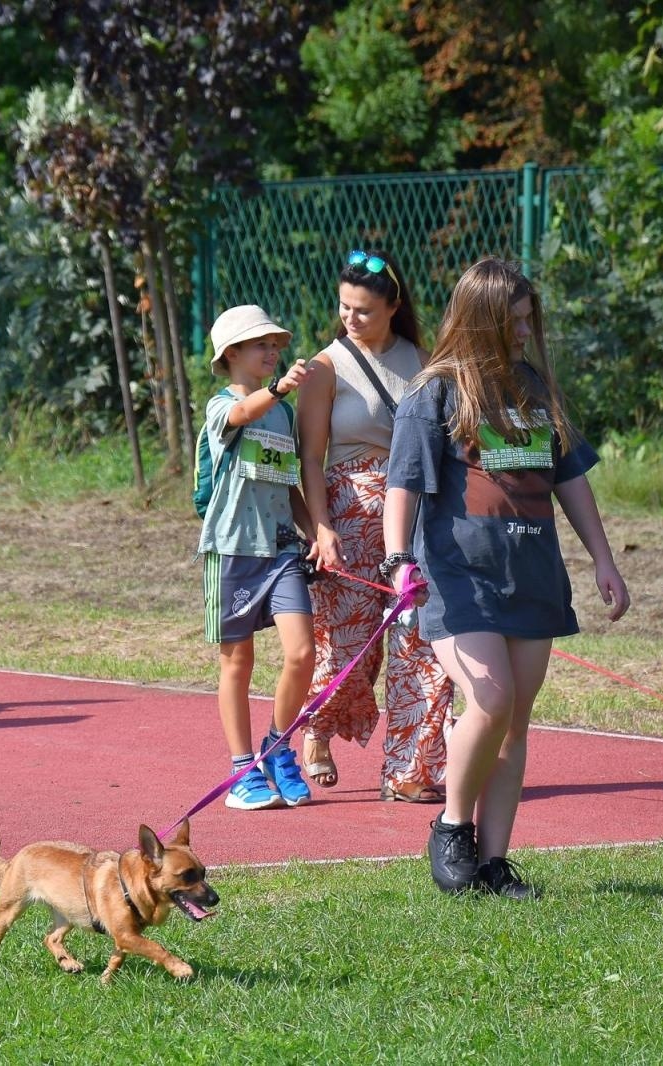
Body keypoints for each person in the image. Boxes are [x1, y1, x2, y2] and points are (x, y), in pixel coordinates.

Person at [382, 257, 630, 897]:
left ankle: (493, 863)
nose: (524, 332)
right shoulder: (433, 391)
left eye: (529, 320)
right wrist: (397, 562)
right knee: (488, 701)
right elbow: (402, 484)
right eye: (513, 321)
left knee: (515, 721)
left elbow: (570, 479)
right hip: (459, 577)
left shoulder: (535, 390)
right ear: (482, 320)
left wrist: (603, 558)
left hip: (533, 573)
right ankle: (451, 830)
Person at [296, 248, 453, 802]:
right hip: (348, 514)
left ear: (393, 306)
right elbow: (310, 459)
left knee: (421, 640)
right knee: (349, 646)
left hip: (413, 514)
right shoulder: (324, 366)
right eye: (343, 307)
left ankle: (412, 769)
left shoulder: (425, 359)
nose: (350, 318)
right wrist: (321, 526)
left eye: (363, 309)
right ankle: (318, 729)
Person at [197, 305, 315, 811]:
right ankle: (241, 769)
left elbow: (288, 482)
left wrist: (316, 532)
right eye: (260, 343)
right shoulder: (222, 406)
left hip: (281, 548)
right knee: (238, 662)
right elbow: (243, 414)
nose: (272, 350)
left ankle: (277, 747)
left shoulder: (283, 413)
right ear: (232, 354)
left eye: (275, 343)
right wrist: (282, 388)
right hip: (233, 550)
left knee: (302, 653)